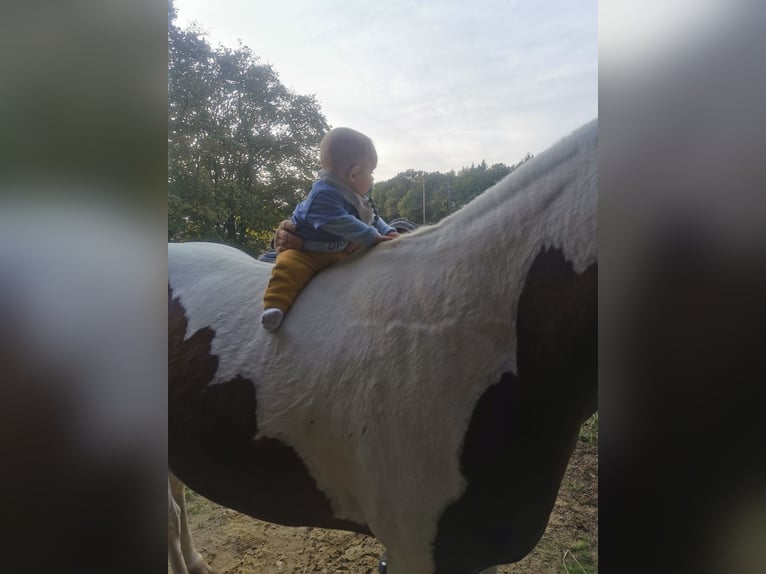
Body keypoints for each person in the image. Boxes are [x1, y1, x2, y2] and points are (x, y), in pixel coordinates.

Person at [261, 127, 399, 331]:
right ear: (354, 173)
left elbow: (373, 219)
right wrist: (372, 236)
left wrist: (388, 231)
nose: (372, 180)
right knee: (289, 268)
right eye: (371, 173)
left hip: (337, 252)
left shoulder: (353, 196)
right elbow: (342, 222)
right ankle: (275, 305)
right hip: (307, 252)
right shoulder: (322, 195)